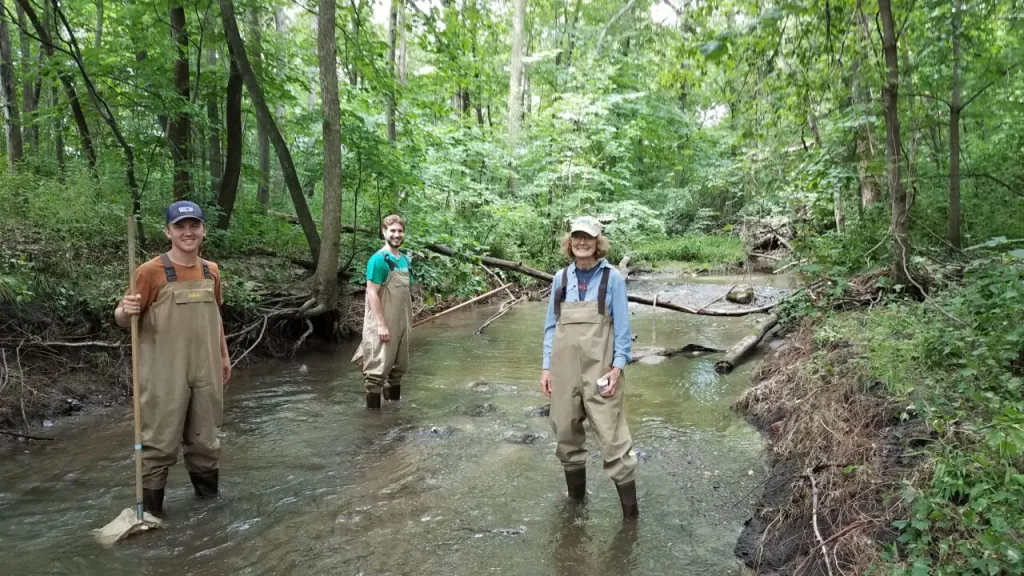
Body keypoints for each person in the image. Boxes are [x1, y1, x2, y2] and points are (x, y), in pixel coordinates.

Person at [114, 200, 231, 517]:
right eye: (180, 227)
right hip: (164, 374)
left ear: (204, 230)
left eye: (194, 226)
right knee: (159, 446)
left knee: (206, 443)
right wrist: (126, 310)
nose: (188, 232)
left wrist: (223, 355)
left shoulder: (212, 271)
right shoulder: (149, 272)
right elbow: (122, 318)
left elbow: (216, 316)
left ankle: (209, 518)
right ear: (168, 231)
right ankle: (151, 518)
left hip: (206, 369)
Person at [540, 216, 639, 518]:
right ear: (569, 242)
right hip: (563, 370)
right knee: (566, 436)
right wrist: (546, 368)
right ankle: (576, 508)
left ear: (598, 242)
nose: (582, 243)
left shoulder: (613, 279)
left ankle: (631, 517)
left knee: (613, 440)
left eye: (589, 237)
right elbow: (550, 328)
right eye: (577, 237)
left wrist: (617, 368)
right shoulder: (561, 279)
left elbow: (622, 330)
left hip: (602, 372)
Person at [351, 215, 413, 409]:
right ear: (384, 232)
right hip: (382, 323)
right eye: (392, 231)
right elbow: (371, 292)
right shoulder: (378, 260)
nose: (396, 235)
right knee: (376, 372)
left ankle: (394, 413)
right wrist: (381, 324)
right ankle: (373, 424)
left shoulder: (404, 260)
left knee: (398, 368)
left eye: (400, 231)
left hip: (402, 322)